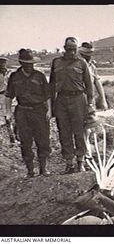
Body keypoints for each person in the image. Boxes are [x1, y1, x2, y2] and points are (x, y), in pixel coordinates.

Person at [50, 37, 94, 173]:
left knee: (79, 132)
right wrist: (51, 106)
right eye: (69, 50)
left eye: (74, 50)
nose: (72, 52)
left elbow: (89, 85)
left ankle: (80, 162)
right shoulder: (56, 62)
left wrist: (90, 104)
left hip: (78, 99)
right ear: (64, 48)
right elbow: (51, 85)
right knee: (64, 132)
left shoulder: (82, 63)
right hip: (61, 100)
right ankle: (69, 163)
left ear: (77, 49)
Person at [4, 49, 51, 177]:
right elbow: (8, 96)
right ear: (21, 63)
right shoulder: (14, 77)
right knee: (25, 141)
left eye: (31, 63)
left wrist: (49, 111)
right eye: (26, 63)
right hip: (22, 112)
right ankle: (30, 170)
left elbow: (48, 95)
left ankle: (44, 168)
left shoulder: (39, 76)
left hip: (39, 111)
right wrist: (8, 112)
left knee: (43, 140)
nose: (29, 66)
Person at [79, 42, 108, 162]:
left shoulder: (92, 66)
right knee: (81, 127)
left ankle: (86, 152)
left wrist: (103, 99)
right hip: (79, 98)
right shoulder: (78, 64)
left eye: (90, 54)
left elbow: (97, 82)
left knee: (89, 126)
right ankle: (85, 153)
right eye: (86, 54)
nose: (88, 56)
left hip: (90, 99)